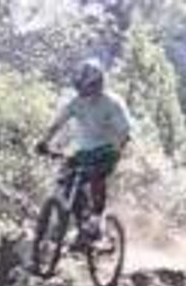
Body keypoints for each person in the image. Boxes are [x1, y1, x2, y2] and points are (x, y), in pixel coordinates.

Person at [36, 59, 132, 240]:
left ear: (97, 84)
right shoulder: (76, 102)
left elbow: (125, 132)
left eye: (87, 87)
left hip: (107, 149)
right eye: (80, 87)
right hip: (84, 151)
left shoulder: (112, 103)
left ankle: (96, 220)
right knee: (67, 180)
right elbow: (57, 124)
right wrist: (44, 142)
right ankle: (81, 223)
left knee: (97, 177)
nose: (82, 91)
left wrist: (117, 152)